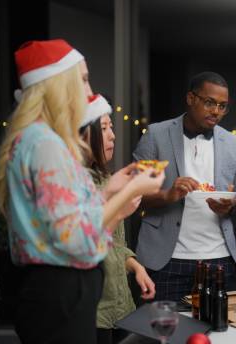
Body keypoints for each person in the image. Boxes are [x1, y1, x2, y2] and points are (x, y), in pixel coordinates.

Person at [0, 39, 165, 344]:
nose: (89, 91)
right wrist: (131, 192)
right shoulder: (47, 145)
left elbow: (62, 216)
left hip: (52, 291)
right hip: (60, 293)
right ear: (59, 84)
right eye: (83, 79)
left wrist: (111, 188)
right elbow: (76, 237)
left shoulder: (34, 138)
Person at [133, 71, 236, 302]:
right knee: (163, 333)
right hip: (165, 259)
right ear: (191, 98)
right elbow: (134, 196)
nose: (216, 111)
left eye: (222, 106)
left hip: (218, 259)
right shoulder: (156, 135)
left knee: (214, 333)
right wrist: (168, 195)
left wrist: (233, 205)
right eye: (209, 103)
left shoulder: (234, 143)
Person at [79, 94, 157, 344]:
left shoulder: (105, 178)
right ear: (82, 135)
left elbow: (114, 243)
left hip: (121, 303)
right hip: (93, 309)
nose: (112, 135)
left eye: (111, 127)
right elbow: (84, 244)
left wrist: (136, 266)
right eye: (104, 128)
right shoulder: (75, 185)